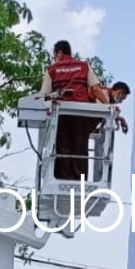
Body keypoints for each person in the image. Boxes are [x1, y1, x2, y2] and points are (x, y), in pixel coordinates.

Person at [41, 40, 109, 180]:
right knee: (80, 147)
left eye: (54, 55)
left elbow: (44, 96)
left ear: (59, 52)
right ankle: (79, 179)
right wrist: (109, 107)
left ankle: (64, 178)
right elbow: (96, 89)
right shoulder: (84, 66)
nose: (55, 58)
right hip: (81, 114)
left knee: (63, 146)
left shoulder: (51, 70)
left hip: (62, 114)